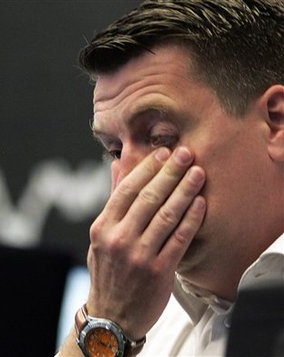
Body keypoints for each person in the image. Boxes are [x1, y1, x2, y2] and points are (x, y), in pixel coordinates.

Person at [57, 0, 283, 356]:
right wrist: (108, 324)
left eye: (161, 137)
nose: (126, 180)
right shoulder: (135, 310)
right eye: (115, 151)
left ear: (276, 122)